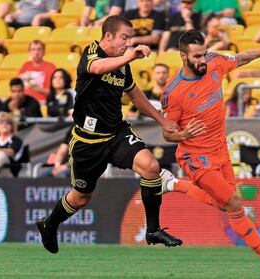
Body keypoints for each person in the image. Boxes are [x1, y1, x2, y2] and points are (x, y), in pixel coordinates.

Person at [35, 15, 182, 254]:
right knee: (81, 197)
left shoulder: (122, 63)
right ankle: (49, 224)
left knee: (151, 167)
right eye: (125, 38)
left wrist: (162, 121)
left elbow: (134, 94)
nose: (128, 43)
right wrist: (130, 55)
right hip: (87, 141)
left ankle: (152, 230)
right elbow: (97, 68)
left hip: (115, 133)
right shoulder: (91, 53)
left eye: (131, 39)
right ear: (108, 36)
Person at [160, 29, 260, 269]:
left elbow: (241, 58)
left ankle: (173, 184)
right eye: (196, 57)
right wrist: (183, 134)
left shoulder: (214, 62)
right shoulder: (174, 92)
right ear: (183, 56)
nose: (202, 60)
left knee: (224, 203)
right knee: (234, 203)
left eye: (203, 54)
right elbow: (167, 132)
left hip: (220, 149)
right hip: (195, 157)